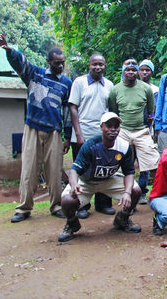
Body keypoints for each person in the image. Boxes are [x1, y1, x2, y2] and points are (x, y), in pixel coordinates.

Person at [0, 34, 72, 223]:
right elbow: (21, 63)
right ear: (49, 62)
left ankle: (56, 205)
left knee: (54, 171)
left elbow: (67, 111)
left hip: (54, 130)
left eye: (62, 62)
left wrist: (67, 135)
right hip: (32, 128)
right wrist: (9, 49)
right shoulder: (35, 74)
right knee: (29, 169)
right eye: (56, 63)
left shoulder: (66, 83)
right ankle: (24, 208)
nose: (60, 66)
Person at [57, 112, 142, 242]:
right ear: (101, 127)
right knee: (67, 200)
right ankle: (71, 223)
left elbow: (129, 172)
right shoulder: (90, 146)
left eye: (116, 126)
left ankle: (123, 219)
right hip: (87, 182)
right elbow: (74, 171)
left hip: (109, 180)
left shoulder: (124, 147)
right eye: (109, 126)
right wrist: (74, 185)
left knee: (135, 191)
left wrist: (126, 192)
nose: (113, 129)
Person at [68, 53, 115, 218]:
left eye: (101, 64)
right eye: (95, 64)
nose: (98, 67)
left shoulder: (109, 85)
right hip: (82, 134)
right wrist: (79, 134)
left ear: (104, 65)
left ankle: (103, 204)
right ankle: (81, 205)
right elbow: (73, 108)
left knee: (104, 169)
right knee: (83, 171)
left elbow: (111, 111)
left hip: (102, 136)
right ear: (89, 65)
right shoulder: (79, 82)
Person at [108, 59, 159, 205]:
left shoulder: (146, 88)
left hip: (142, 131)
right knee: (118, 162)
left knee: (153, 162)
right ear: (123, 71)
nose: (131, 72)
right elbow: (113, 112)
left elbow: (151, 111)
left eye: (133, 70)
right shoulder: (115, 89)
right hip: (123, 130)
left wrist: (147, 127)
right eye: (128, 70)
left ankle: (158, 195)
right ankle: (127, 195)